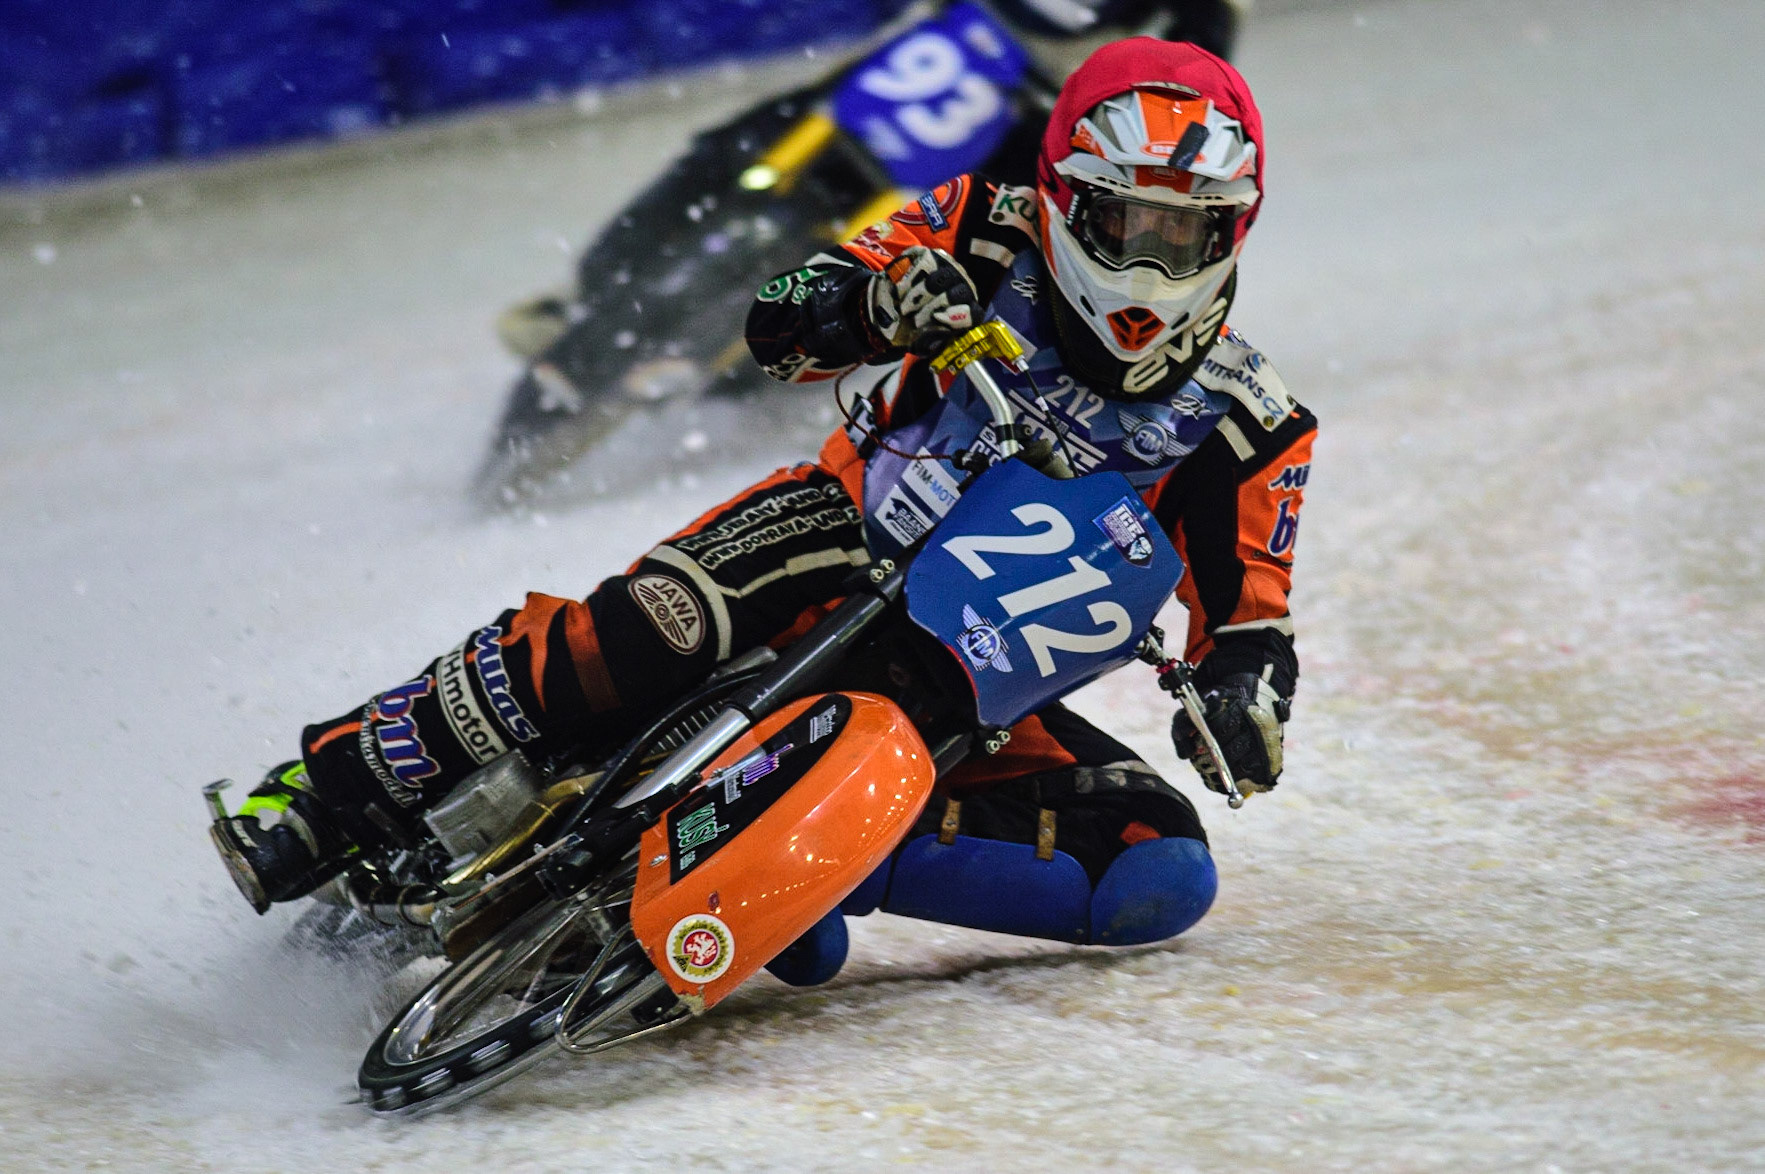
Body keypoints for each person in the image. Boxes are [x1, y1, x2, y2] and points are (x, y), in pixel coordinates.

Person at [211, 37, 1314, 986]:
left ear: (1234, 231)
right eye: (1123, 224)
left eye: (1186, 232)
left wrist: (1242, 698)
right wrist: (873, 300)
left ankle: (794, 861)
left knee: (1153, 863)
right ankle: (340, 778)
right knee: (648, 630)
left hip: (966, 685)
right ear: (1065, 198)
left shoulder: (1252, 423)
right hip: (838, 536)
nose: (1149, 262)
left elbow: (1252, 620)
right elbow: (779, 318)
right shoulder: (981, 229)